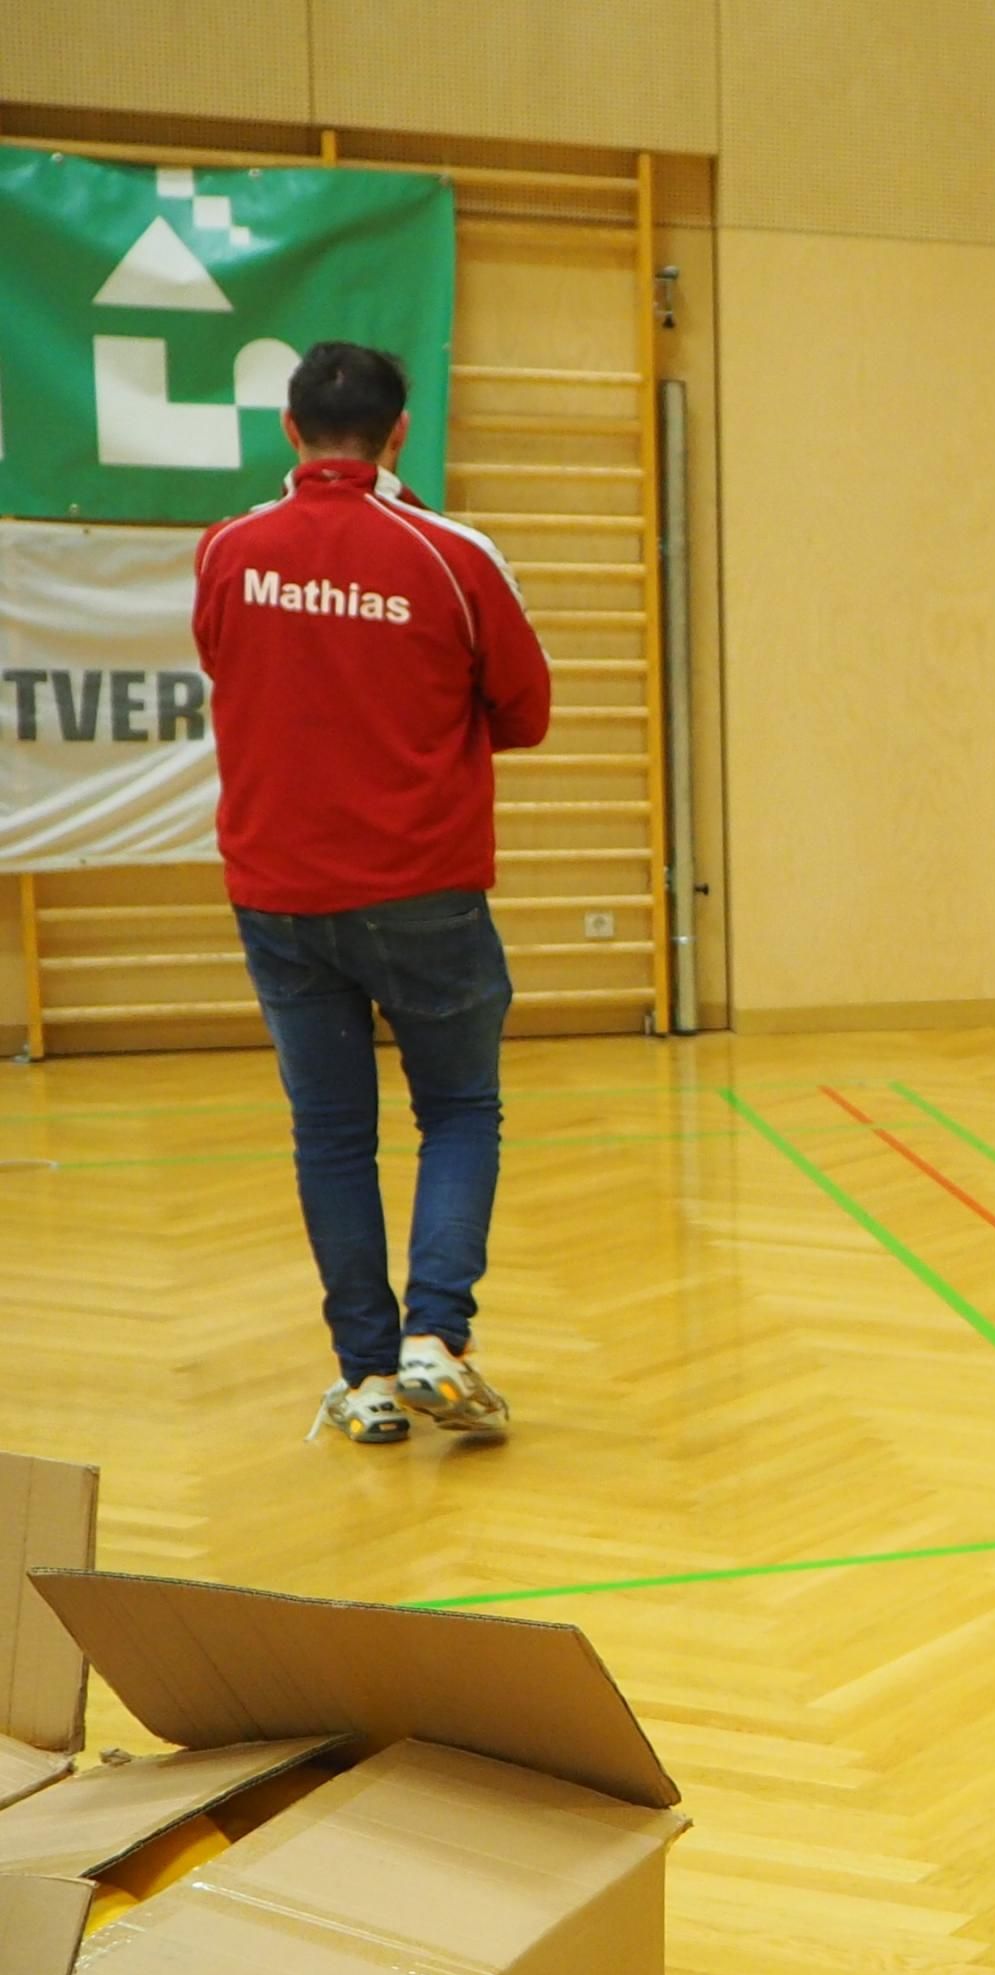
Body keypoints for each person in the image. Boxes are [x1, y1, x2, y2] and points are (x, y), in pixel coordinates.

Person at [194, 340, 550, 1445]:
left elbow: (230, 669)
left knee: (332, 1134)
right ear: (401, 433)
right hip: (423, 887)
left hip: (280, 895)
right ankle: (435, 1336)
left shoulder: (229, 550)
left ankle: (367, 1381)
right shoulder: (453, 554)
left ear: (289, 430)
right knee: (460, 1109)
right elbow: (526, 712)